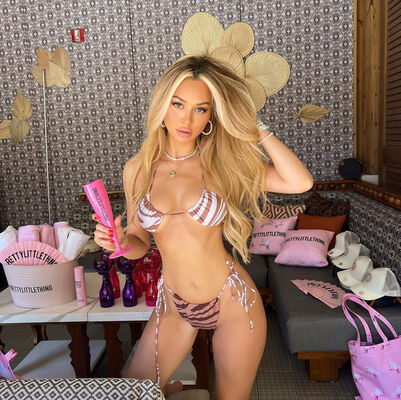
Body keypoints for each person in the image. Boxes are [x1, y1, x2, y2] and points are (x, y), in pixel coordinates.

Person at [92, 55, 313, 399]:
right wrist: (119, 242)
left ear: (211, 115)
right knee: (134, 392)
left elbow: (299, 182)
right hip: (174, 306)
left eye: (201, 109)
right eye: (178, 104)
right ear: (162, 105)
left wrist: (257, 128)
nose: (187, 119)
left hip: (233, 304)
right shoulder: (137, 169)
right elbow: (138, 241)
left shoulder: (222, 162)